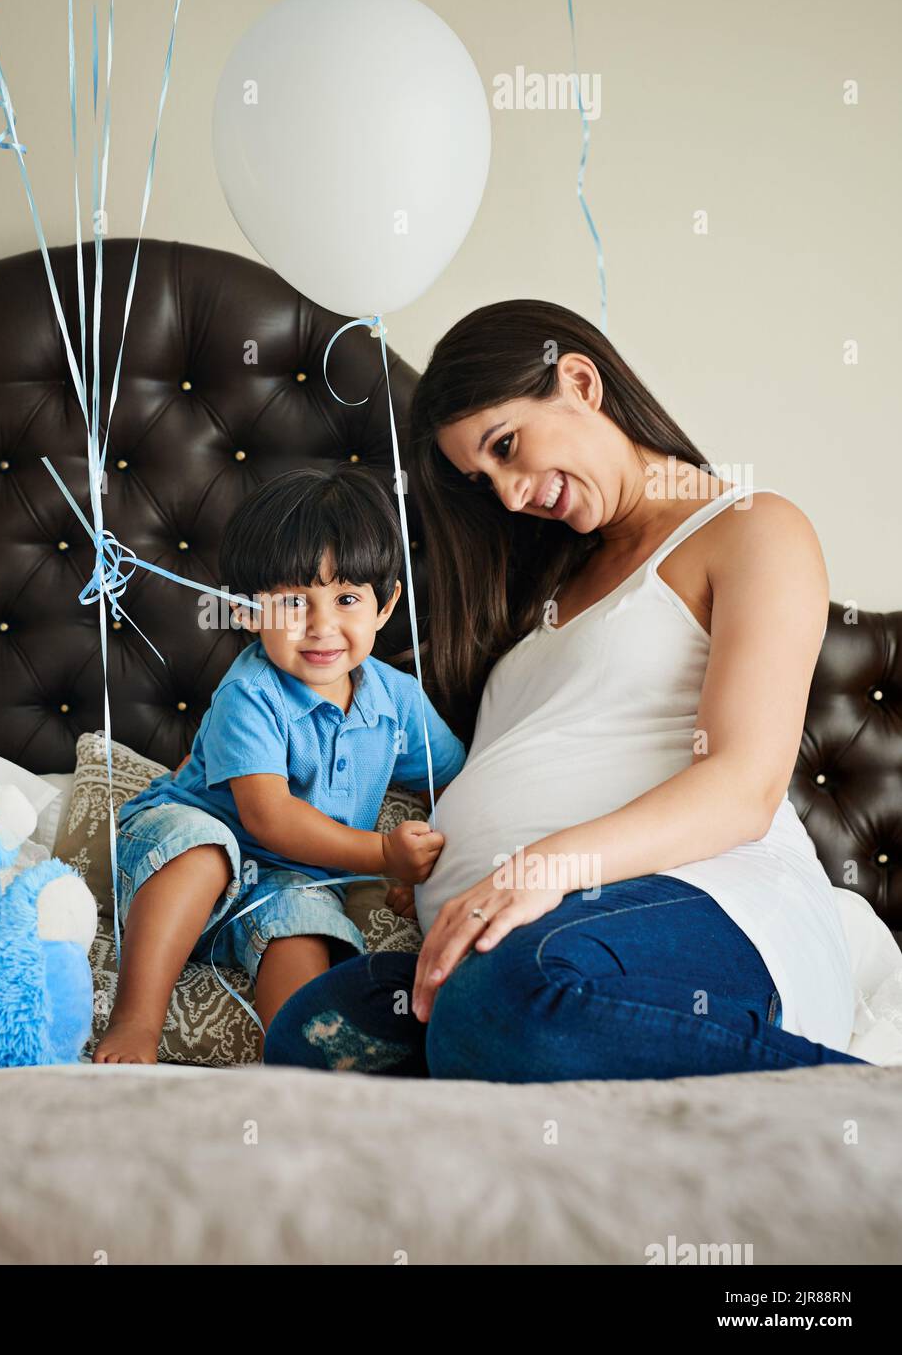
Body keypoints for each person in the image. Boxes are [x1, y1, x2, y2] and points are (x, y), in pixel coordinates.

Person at [263, 299, 868, 1080]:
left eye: (506, 447)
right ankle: (502, 1043)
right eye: (487, 480)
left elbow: (742, 788)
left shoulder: (751, 527)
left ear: (579, 381)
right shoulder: (548, 591)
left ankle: (851, 1102)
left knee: (514, 1000)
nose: (510, 495)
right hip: (536, 938)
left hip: (710, 904)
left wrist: (533, 870)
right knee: (312, 1032)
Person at [93, 465, 466, 1064]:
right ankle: (137, 1019)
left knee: (305, 918)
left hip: (297, 877)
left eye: (346, 599)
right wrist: (380, 855)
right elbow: (267, 817)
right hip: (186, 849)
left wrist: (423, 867)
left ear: (385, 605)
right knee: (200, 846)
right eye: (292, 601)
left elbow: (451, 779)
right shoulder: (252, 693)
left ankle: (294, 1063)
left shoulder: (397, 702)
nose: (321, 626)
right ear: (245, 612)